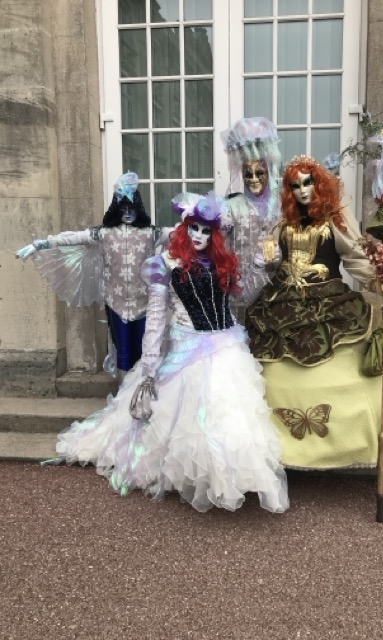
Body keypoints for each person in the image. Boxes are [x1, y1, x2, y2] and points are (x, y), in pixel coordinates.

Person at [52, 192, 289, 514]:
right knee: (190, 417)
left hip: (226, 345)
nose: (199, 235)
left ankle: (228, 476)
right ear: (184, 228)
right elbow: (155, 319)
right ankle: (197, 476)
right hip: (187, 348)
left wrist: (262, 265)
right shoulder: (165, 264)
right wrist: (149, 366)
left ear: (215, 234)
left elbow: (243, 297)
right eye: (194, 228)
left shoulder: (222, 262)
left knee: (230, 412)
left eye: (206, 230)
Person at [245, 155, 383, 470]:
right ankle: (282, 446)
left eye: (307, 183)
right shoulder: (281, 223)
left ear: (318, 183)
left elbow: (355, 257)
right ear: (288, 190)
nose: (302, 190)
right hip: (282, 304)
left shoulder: (335, 218)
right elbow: (271, 261)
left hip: (329, 302)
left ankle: (350, 442)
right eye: (295, 185)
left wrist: (377, 280)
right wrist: (265, 257)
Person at [16, 172, 168, 382]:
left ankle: (143, 394)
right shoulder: (103, 234)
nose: (127, 213)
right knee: (124, 351)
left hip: (146, 303)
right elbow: (73, 238)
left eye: (131, 208)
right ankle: (124, 395)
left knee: (146, 350)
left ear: (138, 208)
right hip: (117, 304)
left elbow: (180, 234)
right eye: (122, 208)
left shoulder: (152, 233)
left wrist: (207, 221)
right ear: (116, 209)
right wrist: (41, 244)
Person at [220, 117, 283, 320]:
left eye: (260, 173)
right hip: (240, 292)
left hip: (277, 292)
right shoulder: (231, 206)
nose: (254, 179)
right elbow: (221, 251)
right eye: (248, 174)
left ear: (269, 171)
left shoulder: (281, 205)